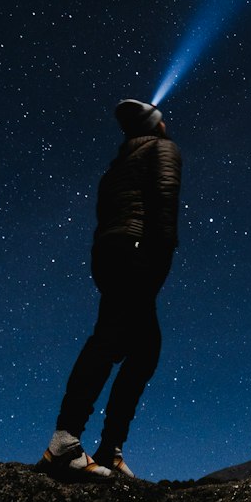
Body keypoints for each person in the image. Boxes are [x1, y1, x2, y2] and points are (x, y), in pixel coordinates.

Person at [38, 98, 182, 481]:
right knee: (112, 342)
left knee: (141, 348)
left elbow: (107, 217)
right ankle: (66, 442)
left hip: (108, 255)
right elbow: (165, 203)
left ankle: (107, 448)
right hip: (138, 254)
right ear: (155, 126)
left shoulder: (116, 167)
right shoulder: (163, 149)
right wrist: (159, 262)